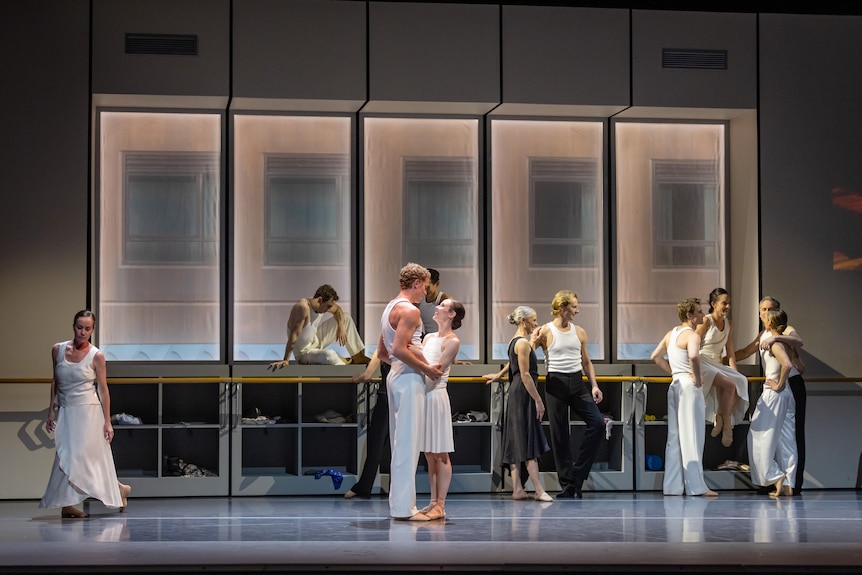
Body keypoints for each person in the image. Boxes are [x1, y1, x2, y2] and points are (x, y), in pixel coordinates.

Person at [40, 310, 132, 518]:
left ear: (93, 330)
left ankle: (117, 490)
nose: (83, 332)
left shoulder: (96, 355)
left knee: (88, 458)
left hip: (89, 412)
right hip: (67, 411)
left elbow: (103, 389)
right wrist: (50, 412)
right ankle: (69, 505)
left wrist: (107, 422)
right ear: (73, 327)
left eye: (87, 328)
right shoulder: (58, 350)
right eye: (79, 327)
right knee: (67, 455)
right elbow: (55, 382)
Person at [378, 263, 443, 521]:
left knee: (401, 443)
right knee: (408, 444)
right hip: (407, 379)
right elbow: (398, 349)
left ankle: (400, 506)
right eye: (425, 286)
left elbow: (384, 352)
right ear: (416, 283)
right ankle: (405, 509)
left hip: (396, 376)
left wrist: (402, 365)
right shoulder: (410, 311)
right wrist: (426, 368)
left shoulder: (389, 308)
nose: (425, 292)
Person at [532, 290, 604, 499]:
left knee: (598, 424)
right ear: (562, 307)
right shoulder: (545, 331)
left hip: (576, 383)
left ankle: (578, 475)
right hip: (555, 383)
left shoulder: (579, 332)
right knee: (559, 435)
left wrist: (594, 386)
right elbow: (525, 352)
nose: (577, 310)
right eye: (573, 306)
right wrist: (532, 340)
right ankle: (568, 485)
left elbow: (586, 361)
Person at [736, 296, 806, 494]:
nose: (766, 313)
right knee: (783, 437)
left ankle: (785, 480)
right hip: (780, 387)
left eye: (770, 309)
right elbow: (746, 351)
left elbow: (797, 347)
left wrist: (777, 337)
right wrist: (721, 358)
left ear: (777, 313)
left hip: (785, 386)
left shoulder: (784, 331)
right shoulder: (763, 335)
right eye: (763, 310)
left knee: (780, 436)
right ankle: (785, 483)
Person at [650, 298, 718, 497]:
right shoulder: (692, 336)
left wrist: (674, 372)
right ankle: (696, 487)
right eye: (699, 311)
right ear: (690, 315)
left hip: (675, 384)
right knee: (692, 435)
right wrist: (697, 378)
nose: (702, 315)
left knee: (675, 436)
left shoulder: (671, 334)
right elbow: (694, 357)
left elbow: (655, 356)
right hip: (689, 387)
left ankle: (672, 486)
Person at [484, 306, 552, 502]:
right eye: (533, 320)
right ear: (523, 320)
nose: (536, 324)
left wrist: (498, 375)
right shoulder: (522, 344)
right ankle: (539, 490)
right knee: (528, 440)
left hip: (517, 394)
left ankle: (518, 489)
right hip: (523, 394)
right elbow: (525, 374)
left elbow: (512, 363)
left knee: (517, 440)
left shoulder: (517, 342)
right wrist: (538, 400)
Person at [417, 298, 466, 520]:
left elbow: (436, 370)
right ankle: (433, 501)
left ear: (452, 314)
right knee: (429, 453)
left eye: (442, 306)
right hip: (424, 396)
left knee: (440, 452)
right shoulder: (428, 337)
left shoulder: (452, 341)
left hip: (436, 397)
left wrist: (412, 359)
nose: (436, 308)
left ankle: (441, 504)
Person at [747, 308, 797, 497]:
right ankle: (788, 484)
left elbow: (787, 365)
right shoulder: (781, 341)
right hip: (785, 394)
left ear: (770, 323)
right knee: (786, 440)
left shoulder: (775, 343)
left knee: (759, 437)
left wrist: (778, 384)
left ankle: (775, 476)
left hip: (774, 394)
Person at [695, 288, 750, 448]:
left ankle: (720, 416)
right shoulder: (706, 321)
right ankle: (727, 426)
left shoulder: (729, 324)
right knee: (730, 384)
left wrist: (734, 371)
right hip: (703, 361)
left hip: (718, 363)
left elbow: (730, 351)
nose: (727, 306)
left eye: (729, 303)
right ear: (714, 304)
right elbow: (694, 343)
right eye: (724, 303)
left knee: (741, 382)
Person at [268, 284, 370, 369]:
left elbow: (338, 310)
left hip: (316, 339)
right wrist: (286, 359)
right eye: (328, 306)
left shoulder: (322, 305)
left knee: (346, 317)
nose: (329, 309)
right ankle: (346, 364)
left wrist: (341, 327)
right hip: (304, 353)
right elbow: (294, 335)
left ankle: (358, 356)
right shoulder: (303, 308)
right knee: (329, 355)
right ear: (320, 300)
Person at [344, 351, 391, 499]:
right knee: (397, 446)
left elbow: (368, 373)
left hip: (388, 397)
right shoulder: (411, 341)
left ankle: (364, 486)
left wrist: (360, 377)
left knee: (377, 444)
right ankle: (397, 489)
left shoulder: (389, 342)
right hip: (405, 398)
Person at [418, 268, 452, 338]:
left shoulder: (445, 300)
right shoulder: (419, 299)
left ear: (437, 284)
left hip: (443, 339)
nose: (424, 290)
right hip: (427, 339)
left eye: (427, 287)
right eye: (422, 286)